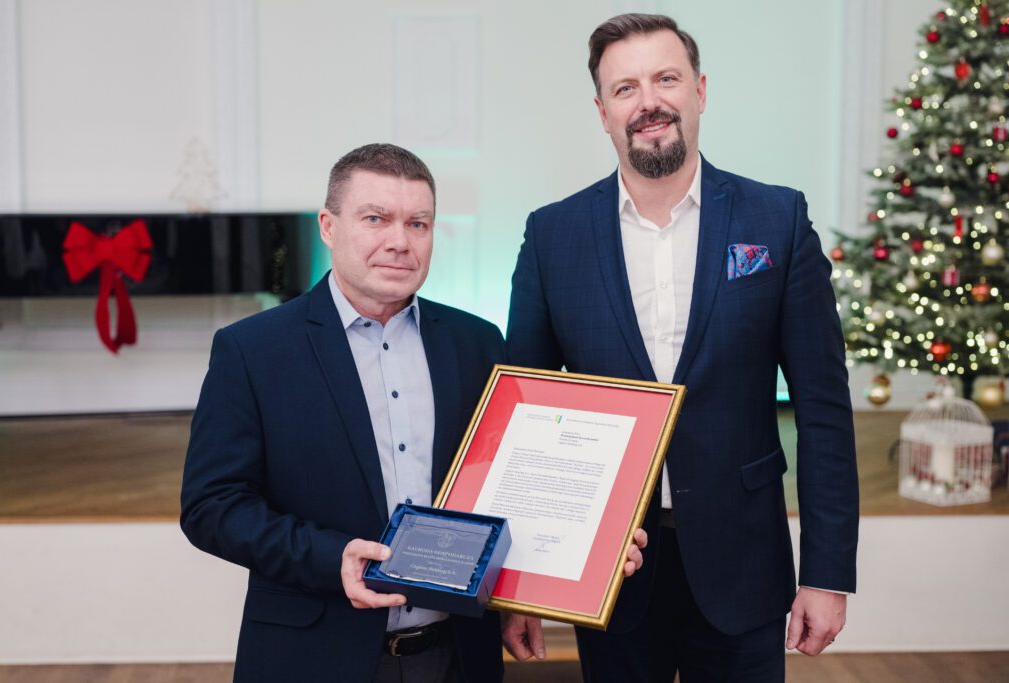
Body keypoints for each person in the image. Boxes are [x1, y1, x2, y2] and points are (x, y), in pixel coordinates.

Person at [501, 13, 859, 682]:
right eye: (626, 88)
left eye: (665, 79)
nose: (649, 102)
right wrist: (520, 581)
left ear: (700, 90)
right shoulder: (552, 235)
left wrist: (828, 572)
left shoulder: (777, 219)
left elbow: (823, 409)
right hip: (606, 571)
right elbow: (525, 416)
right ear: (603, 112)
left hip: (744, 563)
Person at [180, 143, 507, 682]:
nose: (400, 241)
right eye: (375, 219)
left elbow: (504, 484)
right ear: (328, 227)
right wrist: (331, 558)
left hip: (457, 655)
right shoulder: (253, 350)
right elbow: (211, 507)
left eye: (418, 223)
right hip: (313, 655)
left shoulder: (477, 342)